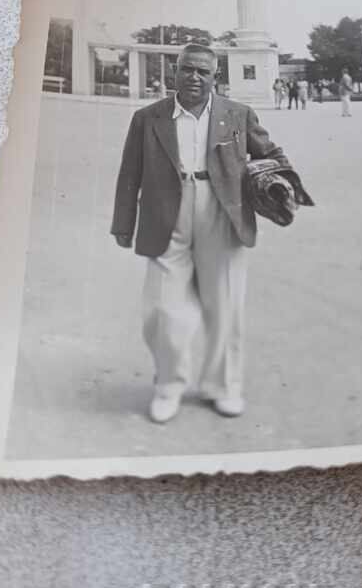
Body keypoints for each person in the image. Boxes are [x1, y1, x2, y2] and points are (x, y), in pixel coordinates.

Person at [111, 43, 298, 424]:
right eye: (187, 70)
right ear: (174, 72)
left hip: (223, 209)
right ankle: (168, 386)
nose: (194, 77)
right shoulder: (148, 118)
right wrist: (123, 224)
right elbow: (130, 174)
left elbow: (271, 153)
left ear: (216, 77)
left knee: (224, 304)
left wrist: (278, 183)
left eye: (203, 72)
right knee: (163, 308)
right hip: (166, 211)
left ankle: (222, 387)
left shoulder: (238, 114)